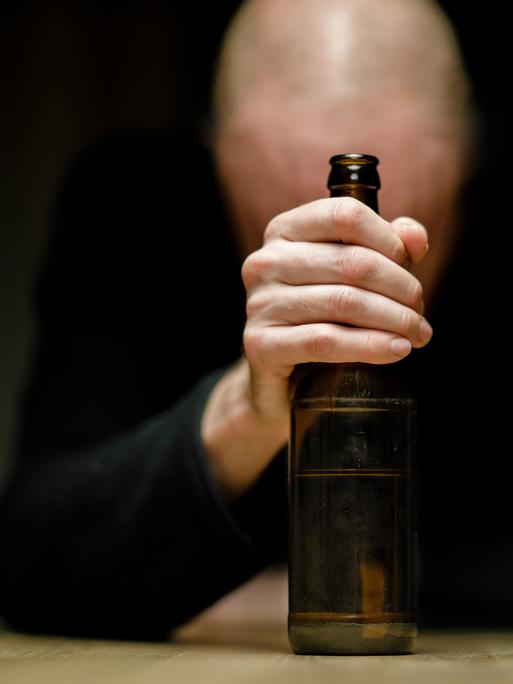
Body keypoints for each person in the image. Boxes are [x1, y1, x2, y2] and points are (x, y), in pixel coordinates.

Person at [0, 0, 503, 640]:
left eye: (391, 255)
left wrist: (342, 578)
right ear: (215, 163)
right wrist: (244, 408)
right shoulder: (136, 203)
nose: (348, 276)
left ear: (469, 174)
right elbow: (30, 560)